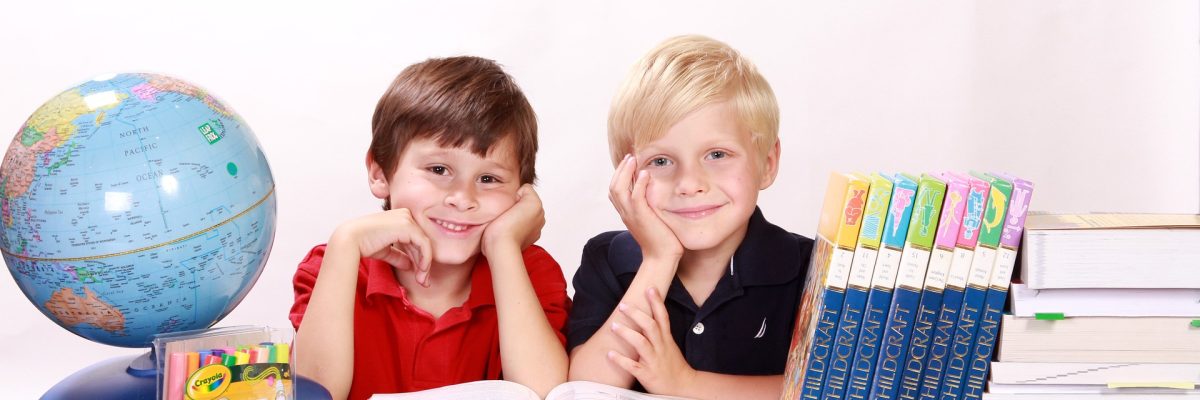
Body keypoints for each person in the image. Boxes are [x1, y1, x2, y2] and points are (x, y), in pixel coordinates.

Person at [290, 56, 570, 400]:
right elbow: (313, 395)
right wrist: (345, 243)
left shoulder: (530, 272)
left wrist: (503, 247)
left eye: (488, 178)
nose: (462, 198)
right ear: (379, 173)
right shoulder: (333, 265)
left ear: (521, 194)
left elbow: (545, 394)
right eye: (438, 170)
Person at [567, 35, 813, 399]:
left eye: (717, 154)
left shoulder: (811, 268)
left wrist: (686, 384)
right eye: (660, 161)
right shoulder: (608, 259)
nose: (689, 184)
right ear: (627, 174)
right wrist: (658, 259)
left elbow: (828, 390)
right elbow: (586, 389)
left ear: (767, 163)